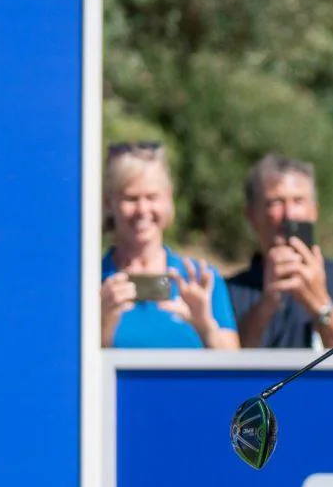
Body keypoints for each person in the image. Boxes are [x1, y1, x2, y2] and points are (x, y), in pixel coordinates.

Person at [226, 154, 333, 349]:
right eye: (275, 202)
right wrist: (265, 306)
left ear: (314, 210)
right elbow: (229, 370)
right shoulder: (229, 291)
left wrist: (321, 305)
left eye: (298, 201)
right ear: (251, 215)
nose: (289, 214)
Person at [100, 141, 239, 349]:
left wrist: (205, 326)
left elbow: (234, 371)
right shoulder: (91, 283)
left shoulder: (199, 280)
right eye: (131, 198)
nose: (142, 209)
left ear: (168, 199)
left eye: (152, 197)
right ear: (108, 203)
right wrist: (102, 325)